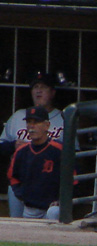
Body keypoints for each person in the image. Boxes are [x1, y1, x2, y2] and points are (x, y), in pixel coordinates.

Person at [0, 71, 64, 218]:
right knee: (15, 202)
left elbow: (74, 156)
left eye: (43, 87)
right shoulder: (18, 116)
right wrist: (13, 146)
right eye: (35, 87)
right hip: (23, 180)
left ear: (53, 92)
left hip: (48, 183)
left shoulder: (63, 118)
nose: (38, 90)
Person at [7, 106, 62, 220]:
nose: (31, 126)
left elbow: (74, 179)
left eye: (36, 122)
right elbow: (12, 177)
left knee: (54, 213)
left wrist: (61, 199)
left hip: (52, 208)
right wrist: (23, 195)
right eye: (29, 122)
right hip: (30, 208)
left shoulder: (59, 150)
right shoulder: (21, 151)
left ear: (47, 126)